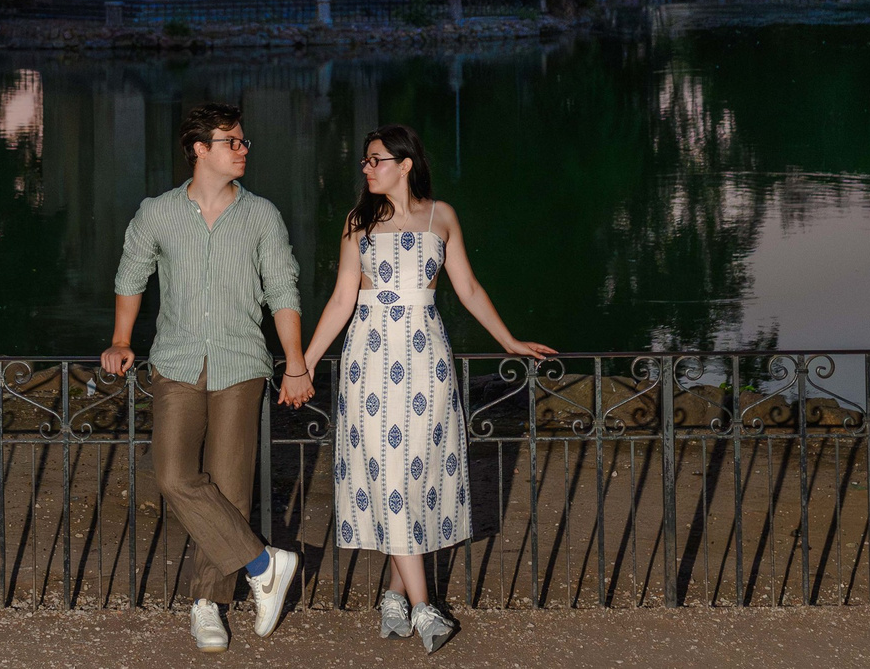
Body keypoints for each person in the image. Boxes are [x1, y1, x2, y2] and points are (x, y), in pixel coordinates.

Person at [300, 123, 553, 654]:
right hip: (368, 360)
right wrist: (303, 363)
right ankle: (422, 608)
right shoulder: (356, 223)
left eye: (375, 160)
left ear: (405, 164)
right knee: (387, 474)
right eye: (366, 162)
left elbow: (467, 287)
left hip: (425, 360)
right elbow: (343, 299)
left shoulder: (443, 217)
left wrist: (508, 340)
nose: (366, 169)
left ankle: (394, 594)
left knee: (414, 477)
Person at [102, 103, 312, 653]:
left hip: (242, 364)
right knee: (173, 476)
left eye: (243, 142)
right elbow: (131, 276)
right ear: (199, 149)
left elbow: (283, 291)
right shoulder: (157, 212)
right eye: (231, 142)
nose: (243, 150)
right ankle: (265, 564)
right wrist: (122, 340)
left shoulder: (262, 215)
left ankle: (207, 604)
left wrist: (295, 361)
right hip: (176, 361)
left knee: (229, 488)